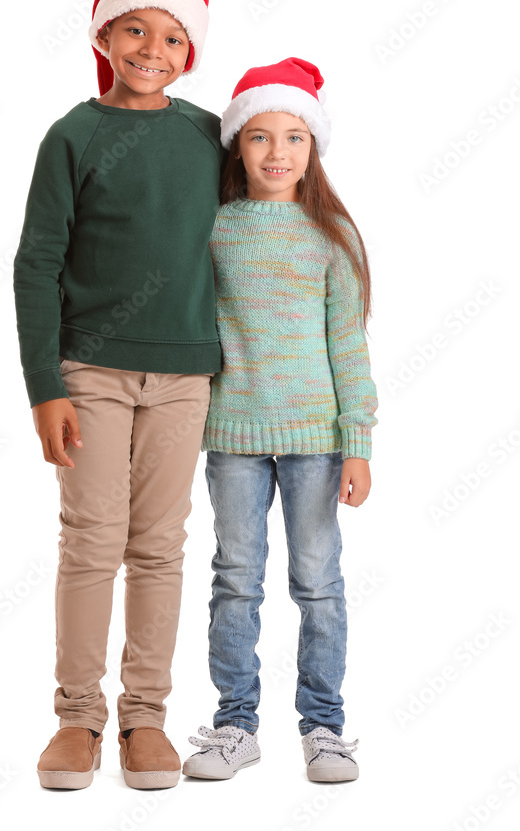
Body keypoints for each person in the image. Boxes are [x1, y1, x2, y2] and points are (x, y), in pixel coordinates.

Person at [13, 0, 223, 791]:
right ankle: (77, 718)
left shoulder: (212, 136)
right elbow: (37, 263)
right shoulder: (74, 135)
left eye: (172, 38)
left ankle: (145, 718)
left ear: (191, 51)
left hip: (185, 378)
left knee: (161, 546)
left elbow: (250, 236)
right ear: (105, 35)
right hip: (90, 371)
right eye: (135, 29)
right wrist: (45, 387)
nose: (152, 50)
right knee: (91, 542)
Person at [182, 57, 378, 783]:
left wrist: (356, 440)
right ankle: (236, 725)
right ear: (238, 146)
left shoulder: (332, 236)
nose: (276, 153)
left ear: (312, 147)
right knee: (235, 578)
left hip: (316, 443)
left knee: (318, 581)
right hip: (231, 436)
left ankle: (324, 728)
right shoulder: (214, 229)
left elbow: (348, 346)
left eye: (294, 137)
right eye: (260, 137)